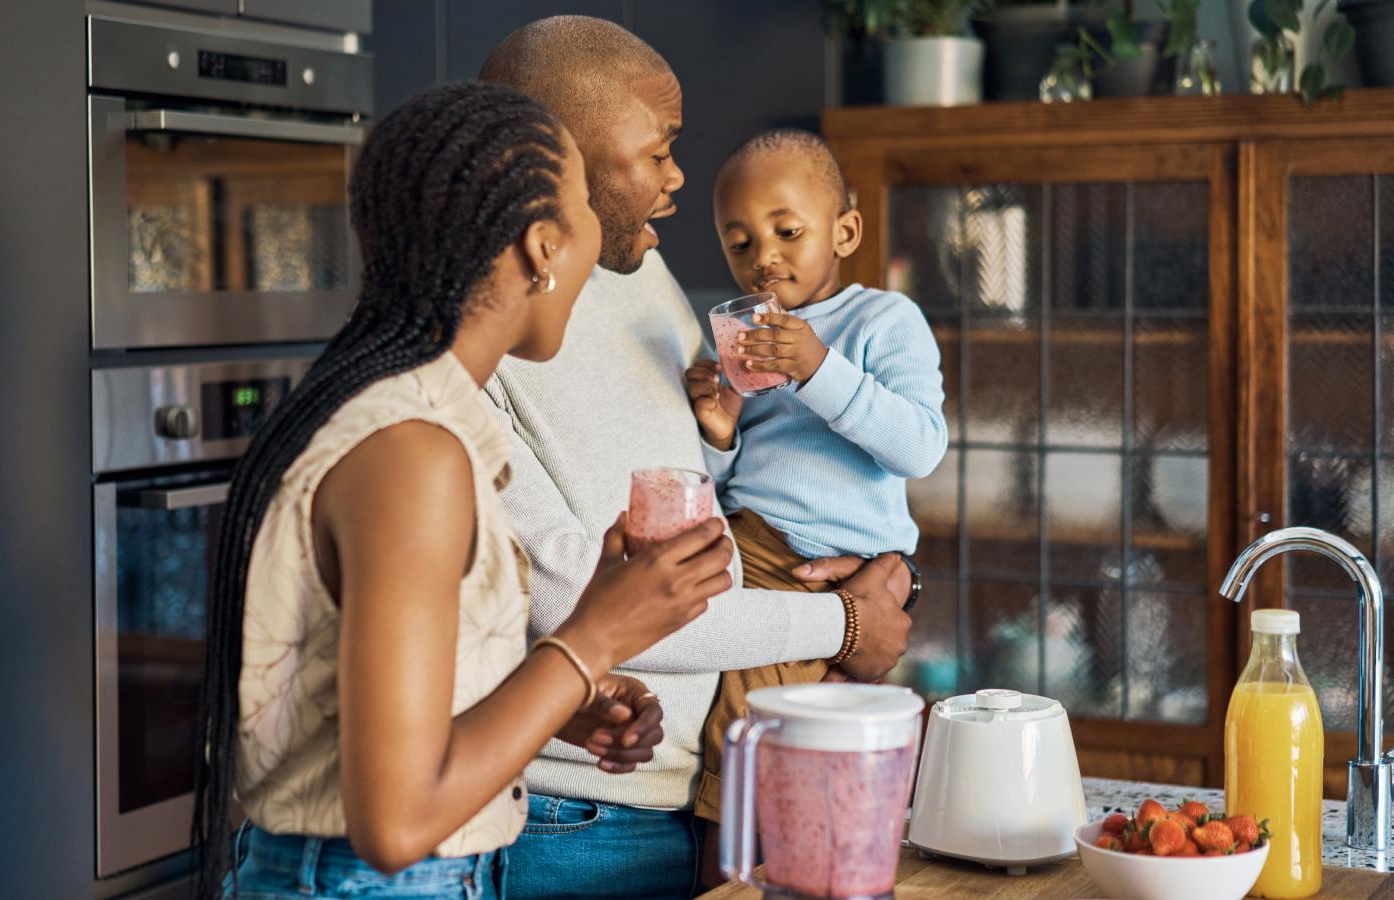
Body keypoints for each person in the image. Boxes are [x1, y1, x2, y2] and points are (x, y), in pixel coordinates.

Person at [188, 82, 737, 900]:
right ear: (541, 247)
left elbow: (377, 730)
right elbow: (398, 823)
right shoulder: (413, 457)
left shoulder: (396, 420)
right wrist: (591, 640)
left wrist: (560, 698)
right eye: (585, 204)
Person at [478, 18, 915, 899]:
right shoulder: (488, 332)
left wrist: (876, 562)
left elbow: (714, 494)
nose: (679, 176)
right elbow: (568, 595)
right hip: (578, 816)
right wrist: (844, 624)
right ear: (558, 158)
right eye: (658, 153)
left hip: (693, 788)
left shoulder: (640, 273)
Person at [687, 128, 948, 886]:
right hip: (756, 551)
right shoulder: (746, 340)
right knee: (753, 736)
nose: (764, 256)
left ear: (845, 231)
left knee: (757, 738)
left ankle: (731, 881)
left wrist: (818, 368)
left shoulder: (883, 323)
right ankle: (753, 873)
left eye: (787, 231)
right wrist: (721, 432)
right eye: (740, 244)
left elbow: (920, 446)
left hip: (837, 568)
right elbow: (731, 479)